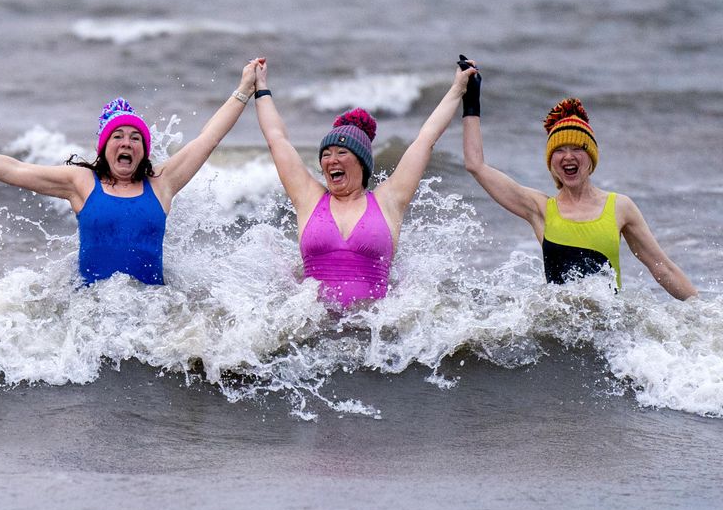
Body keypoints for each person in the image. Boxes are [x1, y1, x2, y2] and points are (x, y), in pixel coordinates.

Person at [0, 60, 260, 286]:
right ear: (103, 149)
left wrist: (244, 89)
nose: (126, 142)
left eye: (135, 138)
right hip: (92, 314)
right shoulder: (81, 183)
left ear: (144, 149)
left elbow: (208, 138)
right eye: (117, 137)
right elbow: (17, 169)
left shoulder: (162, 183)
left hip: (152, 312)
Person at [460, 58, 697, 299]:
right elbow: (475, 165)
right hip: (556, 333)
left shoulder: (619, 207)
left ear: (591, 158)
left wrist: (705, 317)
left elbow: (663, 269)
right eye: (559, 150)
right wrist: (470, 100)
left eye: (577, 149)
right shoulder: (540, 209)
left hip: (610, 333)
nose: (568, 157)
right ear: (551, 161)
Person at [252, 58, 477, 309]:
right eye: (326, 154)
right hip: (313, 333)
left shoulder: (388, 201)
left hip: (373, 335)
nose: (331, 160)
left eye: (341, 153)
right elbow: (277, 139)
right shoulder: (309, 199)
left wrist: (458, 88)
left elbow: (425, 140)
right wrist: (261, 87)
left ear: (362, 162)